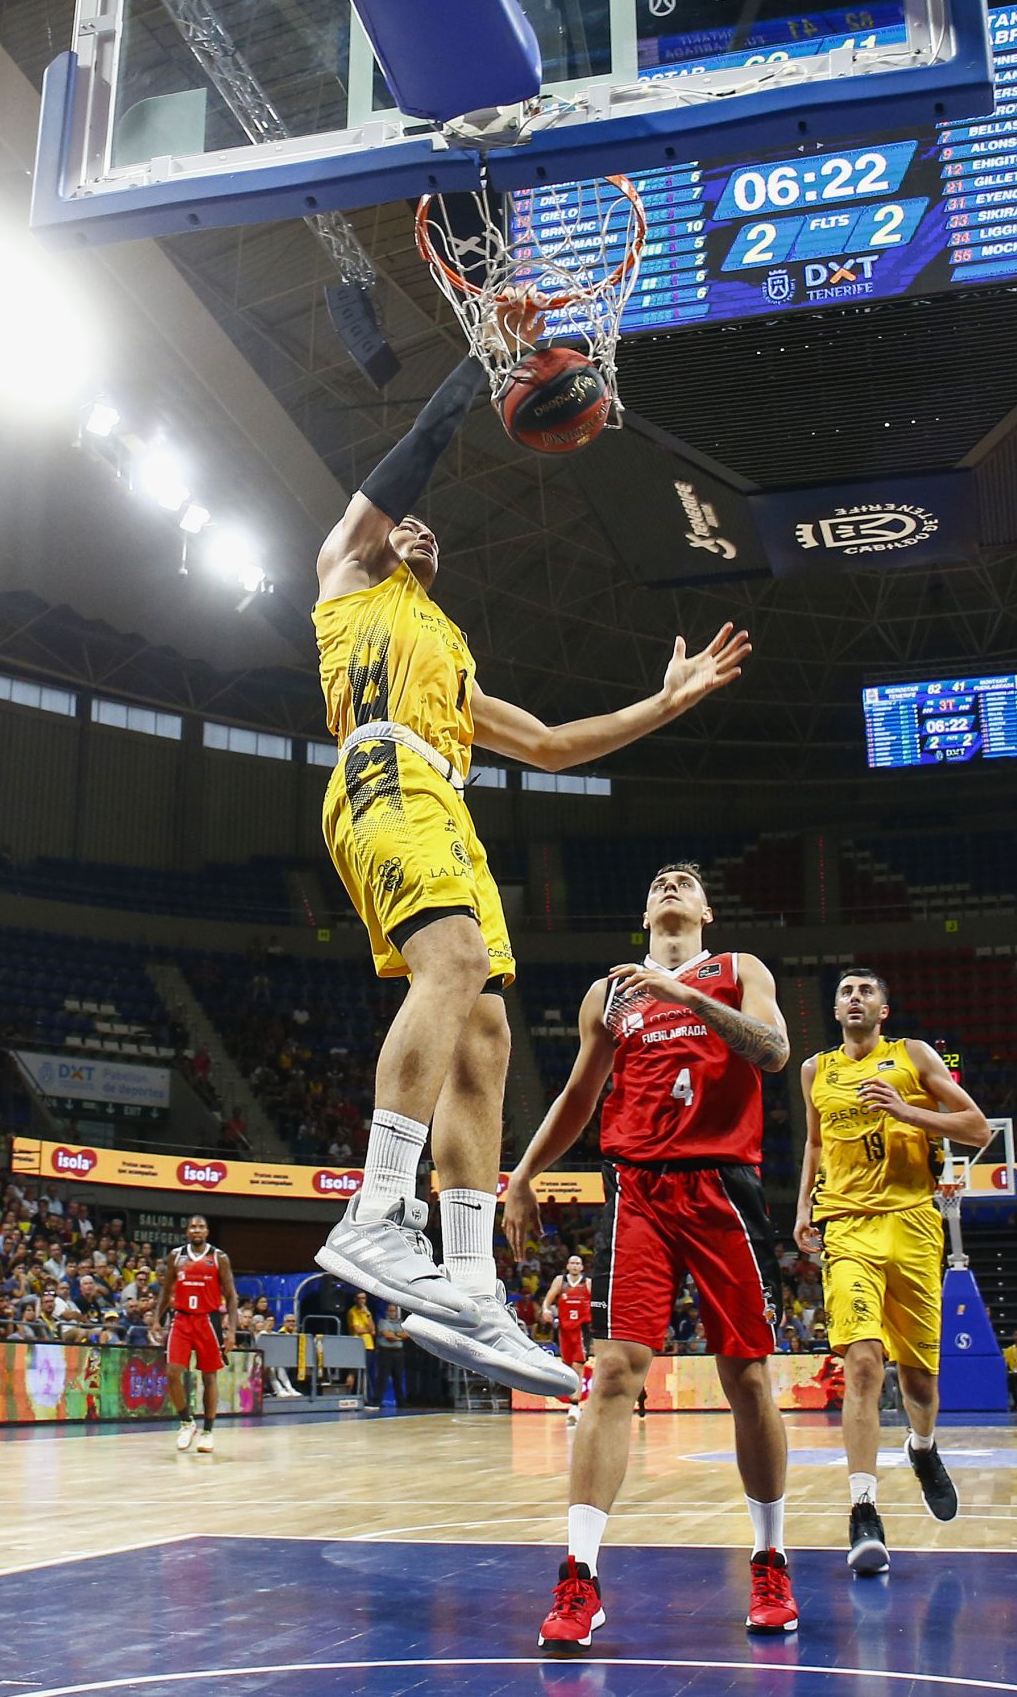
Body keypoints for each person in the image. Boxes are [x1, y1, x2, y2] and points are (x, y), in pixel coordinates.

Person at [309, 333, 750, 1403]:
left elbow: (551, 744)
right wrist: (480, 364)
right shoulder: (345, 581)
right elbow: (415, 450)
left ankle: (466, 1280)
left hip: (444, 804)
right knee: (454, 964)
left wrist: (665, 703)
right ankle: (379, 1209)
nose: (416, 527)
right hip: (383, 770)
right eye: (400, 524)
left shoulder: (448, 658)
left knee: (489, 1029)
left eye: (426, 532)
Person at [504, 863, 798, 1651]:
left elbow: (773, 1051)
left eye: (686, 881)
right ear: (644, 911)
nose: (672, 884)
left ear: (706, 910)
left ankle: (770, 1559)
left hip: (723, 1187)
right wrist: (524, 1174)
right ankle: (579, 1575)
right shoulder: (609, 994)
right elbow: (578, 1095)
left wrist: (684, 995)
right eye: (661, 880)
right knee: (612, 1375)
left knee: (747, 1377)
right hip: (637, 1190)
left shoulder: (738, 969)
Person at [794, 967, 993, 1575]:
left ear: (883, 1009)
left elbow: (977, 1129)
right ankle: (863, 1510)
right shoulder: (815, 1070)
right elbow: (815, 1144)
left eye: (866, 991)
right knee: (861, 1363)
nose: (854, 998)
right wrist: (803, 1208)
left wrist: (907, 1111)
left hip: (913, 1223)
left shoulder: (914, 1056)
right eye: (845, 992)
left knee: (920, 1383)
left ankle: (922, 1447)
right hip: (847, 1225)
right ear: (836, 1011)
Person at [150, 1215, 237, 1454]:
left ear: (207, 1231)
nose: (196, 1230)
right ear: (187, 1231)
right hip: (181, 1318)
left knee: (209, 1377)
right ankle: (186, 1422)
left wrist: (231, 1331)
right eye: (192, 1227)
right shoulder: (176, 1256)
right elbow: (166, 1290)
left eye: (201, 1226)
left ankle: (208, 1431)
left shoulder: (219, 1257)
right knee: (172, 1372)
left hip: (208, 1320)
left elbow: (231, 1295)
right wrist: (157, 1319)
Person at [540, 1252, 594, 1425]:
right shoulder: (560, 1281)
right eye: (572, 1263)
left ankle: (574, 1406)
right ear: (568, 1266)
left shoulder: (587, 1283)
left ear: (582, 1267)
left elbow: (597, 1304)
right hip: (564, 1330)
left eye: (578, 1263)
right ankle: (573, 1404)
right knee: (568, 1367)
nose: (575, 1265)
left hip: (581, 1330)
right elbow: (548, 1300)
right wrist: (546, 1310)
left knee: (578, 1366)